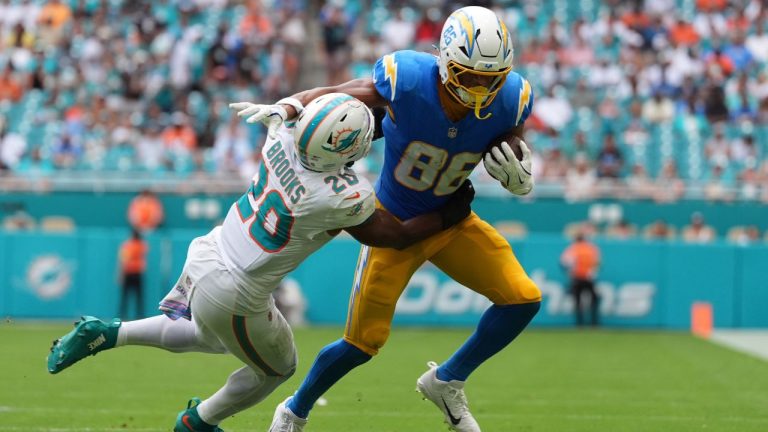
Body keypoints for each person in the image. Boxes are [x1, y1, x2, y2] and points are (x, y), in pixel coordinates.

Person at [46, 94, 475, 432]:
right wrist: (449, 213)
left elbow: (295, 110)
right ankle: (199, 422)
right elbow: (394, 237)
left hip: (211, 250)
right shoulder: (342, 194)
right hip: (237, 287)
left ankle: (108, 332)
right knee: (278, 369)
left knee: (210, 337)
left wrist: (290, 106)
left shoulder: (281, 136)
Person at [232, 6, 541, 431]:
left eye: (492, 79)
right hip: (393, 223)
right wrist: (288, 107)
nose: (481, 90)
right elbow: (336, 93)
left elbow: (511, 144)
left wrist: (520, 173)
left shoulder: (511, 99)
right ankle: (294, 410)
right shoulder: (410, 79)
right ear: (446, 62)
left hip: (452, 224)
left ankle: (446, 380)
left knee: (523, 299)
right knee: (361, 344)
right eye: (471, 77)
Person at [560, 232, 601, 327]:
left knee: (578, 301)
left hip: (577, 278)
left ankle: (580, 324)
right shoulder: (591, 248)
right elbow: (598, 263)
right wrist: (593, 273)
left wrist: (570, 273)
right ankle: (594, 323)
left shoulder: (572, 248)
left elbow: (564, 263)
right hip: (589, 278)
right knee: (594, 299)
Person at [118, 229, 148, 319]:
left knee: (125, 296)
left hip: (128, 273)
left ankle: (123, 316)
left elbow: (123, 260)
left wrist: (120, 274)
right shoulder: (142, 245)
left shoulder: (127, 245)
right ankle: (140, 316)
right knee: (139, 297)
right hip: (138, 273)